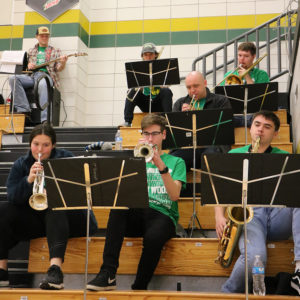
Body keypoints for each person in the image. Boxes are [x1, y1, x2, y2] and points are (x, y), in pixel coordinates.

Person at [87, 114, 186, 291]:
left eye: (154, 134)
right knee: (118, 208)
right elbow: (122, 192)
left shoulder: (176, 162)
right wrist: (135, 161)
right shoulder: (135, 159)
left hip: (163, 214)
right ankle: (108, 273)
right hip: (138, 212)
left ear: (163, 135)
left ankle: (139, 287)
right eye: (146, 134)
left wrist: (160, 165)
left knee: (154, 237)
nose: (150, 138)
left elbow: (174, 196)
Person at [0, 123, 98, 290]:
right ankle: (1, 270)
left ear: (53, 145)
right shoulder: (21, 164)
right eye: (36, 144)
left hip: (71, 218)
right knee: (3, 210)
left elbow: (78, 193)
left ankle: (55, 270)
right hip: (39, 219)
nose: (40, 150)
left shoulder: (65, 158)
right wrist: (28, 180)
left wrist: (53, 191)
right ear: (30, 144)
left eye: (46, 145)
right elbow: (13, 197)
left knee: (54, 206)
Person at [214, 110, 300, 295]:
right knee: (254, 258)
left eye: (267, 127)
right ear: (250, 127)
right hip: (251, 215)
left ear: (276, 134)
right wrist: (219, 216)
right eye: (257, 125)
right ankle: (226, 294)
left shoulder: (284, 156)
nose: (260, 130)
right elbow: (221, 190)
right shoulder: (234, 154)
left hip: (278, 214)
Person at [171, 71, 232, 170]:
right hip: (189, 147)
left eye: (196, 86)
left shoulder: (221, 101)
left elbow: (224, 130)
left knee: (210, 158)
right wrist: (182, 118)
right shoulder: (179, 103)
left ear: (205, 83)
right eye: (189, 87)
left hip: (214, 146)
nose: (192, 90)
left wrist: (197, 116)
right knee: (173, 161)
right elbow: (174, 134)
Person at [9, 26, 68, 123]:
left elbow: (58, 69)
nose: (44, 38)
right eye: (42, 36)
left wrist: (63, 62)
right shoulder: (31, 51)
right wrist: (28, 65)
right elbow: (25, 68)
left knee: (42, 84)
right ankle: (24, 109)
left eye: (46, 36)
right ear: (37, 36)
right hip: (33, 76)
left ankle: (45, 119)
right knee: (13, 79)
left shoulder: (55, 51)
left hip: (46, 76)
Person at [122, 43, 173, 127]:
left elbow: (168, 85)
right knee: (131, 92)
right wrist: (140, 87)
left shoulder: (163, 67)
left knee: (166, 91)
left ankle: (167, 121)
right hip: (145, 102)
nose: (148, 57)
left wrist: (161, 85)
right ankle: (127, 121)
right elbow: (134, 88)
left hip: (159, 102)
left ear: (155, 55)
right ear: (142, 56)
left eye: (151, 54)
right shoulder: (137, 69)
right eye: (146, 55)